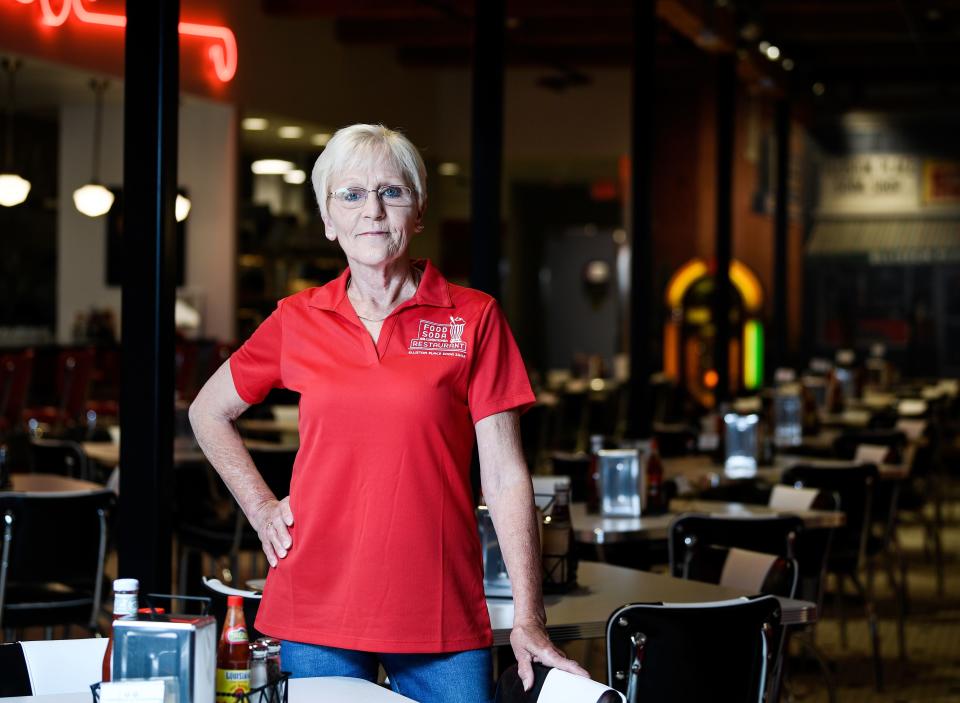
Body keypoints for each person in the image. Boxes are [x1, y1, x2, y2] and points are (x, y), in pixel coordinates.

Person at [189, 123, 587, 703]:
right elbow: (208, 411)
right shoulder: (297, 319)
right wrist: (260, 505)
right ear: (328, 220)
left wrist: (529, 615)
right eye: (350, 195)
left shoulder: (473, 317)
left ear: (418, 211)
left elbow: (504, 475)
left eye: (391, 192)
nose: (372, 210)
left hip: (440, 610)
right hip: (316, 605)